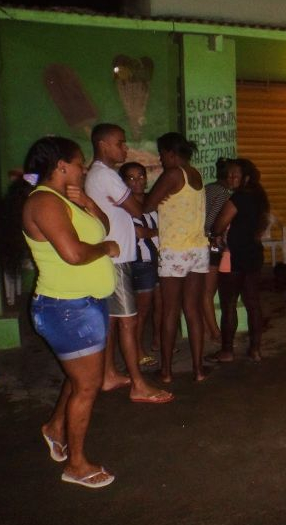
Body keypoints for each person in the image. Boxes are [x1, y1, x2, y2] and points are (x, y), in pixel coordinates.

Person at [16, 136, 118, 487]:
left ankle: (54, 427)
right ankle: (76, 465)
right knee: (87, 386)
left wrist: (88, 202)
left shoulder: (65, 199)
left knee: (80, 379)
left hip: (86, 303)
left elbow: (103, 225)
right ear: (61, 166)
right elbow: (74, 254)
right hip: (66, 308)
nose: (83, 168)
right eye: (79, 163)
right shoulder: (44, 202)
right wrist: (105, 248)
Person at [84, 123, 173, 404]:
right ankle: (138, 384)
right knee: (128, 322)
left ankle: (109, 374)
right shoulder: (106, 176)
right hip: (117, 258)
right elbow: (137, 208)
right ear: (103, 145)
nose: (125, 148)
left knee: (113, 321)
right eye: (120, 143)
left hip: (113, 257)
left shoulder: (100, 175)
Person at [144, 132, 209, 382]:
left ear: (171, 153)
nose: (161, 159)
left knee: (170, 311)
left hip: (175, 250)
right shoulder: (195, 174)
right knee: (192, 310)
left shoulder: (172, 174)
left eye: (162, 154)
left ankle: (167, 371)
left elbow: (147, 206)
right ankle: (198, 369)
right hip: (197, 249)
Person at [207, 158, 269, 362]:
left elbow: (218, 225)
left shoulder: (237, 199)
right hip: (253, 254)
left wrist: (216, 231)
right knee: (253, 303)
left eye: (235, 175)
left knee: (229, 303)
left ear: (246, 178)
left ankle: (227, 351)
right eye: (229, 175)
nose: (230, 178)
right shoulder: (260, 198)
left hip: (232, 256)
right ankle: (255, 349)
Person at [118, 162, 162, 367]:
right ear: (124, 182)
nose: (138, 181)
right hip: (139, 263)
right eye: (131, 178)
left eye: (141, 176)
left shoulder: (152, 202)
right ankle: (137, 350)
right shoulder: (125, 207)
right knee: (140, 312)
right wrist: (160, 231)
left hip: (156, 261)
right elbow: (139, 233)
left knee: (159, 305)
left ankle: (156, 342)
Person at [202, 157, 236, 341]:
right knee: (208, 292)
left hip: (203, 244)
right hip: (211, 245)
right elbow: (211, 222)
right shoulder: (223, 193)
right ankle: (215, 332)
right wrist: (215, 235)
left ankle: (210, 329)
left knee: (206, 292)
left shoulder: (208, 188)